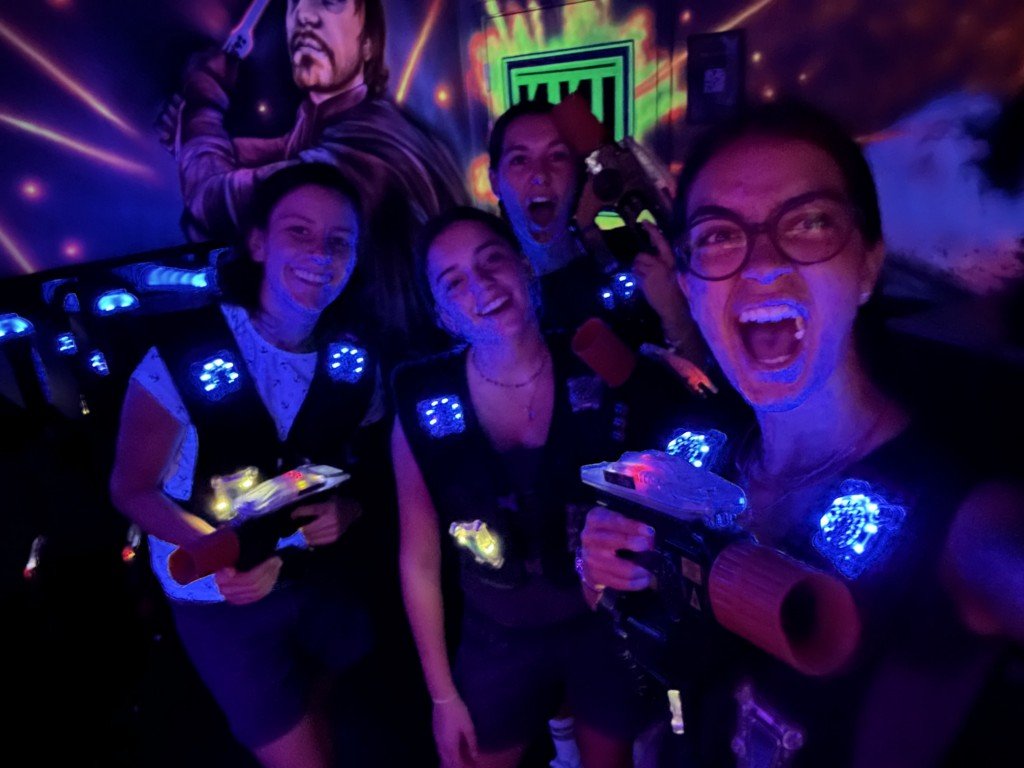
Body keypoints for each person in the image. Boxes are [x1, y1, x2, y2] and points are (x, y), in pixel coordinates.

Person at [578, 102, 1023, 766]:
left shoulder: (966, 525)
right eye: (719, 235)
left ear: (868, 265)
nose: (762, 264)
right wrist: (607, 566)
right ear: (690, 287)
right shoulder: (703, 455)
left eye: (810, 222)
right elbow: (654, 640)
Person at [110, 163, 383, 768]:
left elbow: (354, 467)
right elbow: (131, 489)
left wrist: (348, 508)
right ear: (259, 243)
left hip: (313, 578)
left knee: (346, 698)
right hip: (219, 596)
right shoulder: (185, 354)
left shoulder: (356, 359)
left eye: (339, 241)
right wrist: (227, 554)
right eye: (299, 231)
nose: (320, 254)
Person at [392, 208, 656, 768]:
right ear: (442, 314)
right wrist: (442, 697)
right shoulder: (423, 403)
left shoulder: (597, 361)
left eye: (492, 260)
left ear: (524, 268)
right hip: (496, 634)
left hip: (603, 627)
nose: (481, 285)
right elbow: (418, 560)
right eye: (454, 282)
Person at [174, 0, 468, 358]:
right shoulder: (334, 119)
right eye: (295, 5)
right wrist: (198, 134)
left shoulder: (366, 149)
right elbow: (266, 155)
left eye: (329, 3)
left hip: (398, 366)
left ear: (369, 44)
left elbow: (210, 200)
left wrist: (203, 97)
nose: (305, 16)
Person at [488, 99, 703, 360]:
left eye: (557, 156)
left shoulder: (636, 256)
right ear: (495, 181)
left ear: (578, 173)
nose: (541, 174)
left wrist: (675, 312)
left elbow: (703, 374)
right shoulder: (489, 286)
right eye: (520, 160)